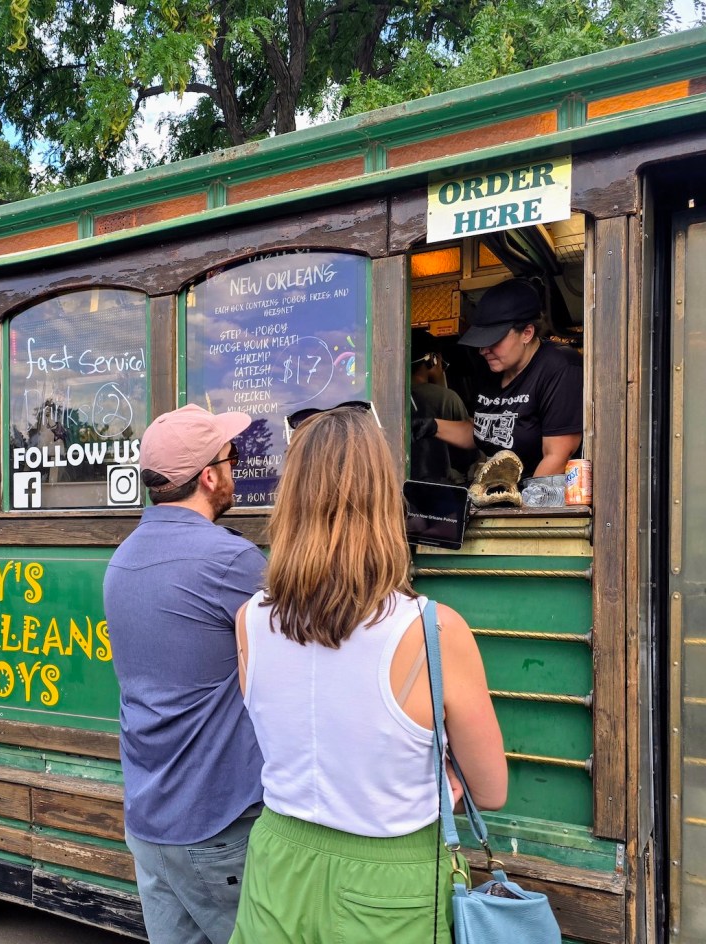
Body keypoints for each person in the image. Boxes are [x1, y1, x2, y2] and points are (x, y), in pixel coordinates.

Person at [229, 404, 506, 944]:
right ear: (384, 502)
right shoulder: (434, 630)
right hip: (391, 878)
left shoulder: (249, 621)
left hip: (276, 860)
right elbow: (491, 789)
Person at [103, 403, 267, 944]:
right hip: (215, 823)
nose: (237, 467)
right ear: (209, 475)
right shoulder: (231, 561)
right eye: (232, 456)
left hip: (149, 820)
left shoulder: (122, 560)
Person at [413, 278, 582, 479]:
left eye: (493, 340)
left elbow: (557, 456)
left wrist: (523, 508)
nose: (484, 350)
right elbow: (482, 432)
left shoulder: (559, 367)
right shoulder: (492, 367)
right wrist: (431, 425)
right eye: (481, 342)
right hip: (501, 490)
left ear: (527, 333)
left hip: (541, 497)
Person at [409, 328, 473, 483]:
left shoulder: (387, 398)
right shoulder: (446, 398)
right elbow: (469, 453)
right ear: (433, 359)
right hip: (441, 484)